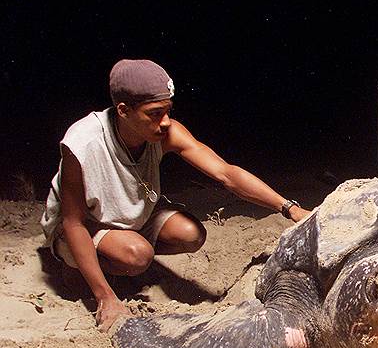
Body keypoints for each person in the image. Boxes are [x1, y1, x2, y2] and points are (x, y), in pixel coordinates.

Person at [41, 59, 310, 331]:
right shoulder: (82, 142)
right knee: (136, 255)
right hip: (85, 223)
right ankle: (77, 267)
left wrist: (289, 208)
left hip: (132, 213)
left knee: (191, 233)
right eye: (155, 113)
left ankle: (118, 258)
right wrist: (105, 298)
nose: (166, 122)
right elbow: (73, 222)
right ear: (123, 110)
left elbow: (226, 174)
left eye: (168, 110)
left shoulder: (166, 132)